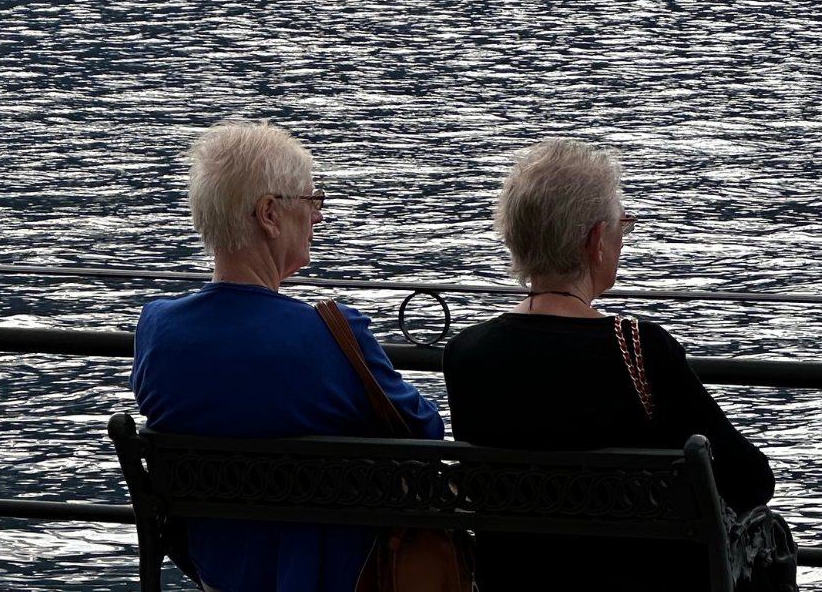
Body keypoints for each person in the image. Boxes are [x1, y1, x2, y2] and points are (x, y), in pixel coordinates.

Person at [444, 138, 774, 592]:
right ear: (596, 241)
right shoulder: (640, 348)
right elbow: (751, 479)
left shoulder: (466, 354)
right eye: (622, 225)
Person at [131, 119, 443, 592]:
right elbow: (425, 431)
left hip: (216, 575)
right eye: (312, 200)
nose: (318, 215)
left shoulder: (158, 332)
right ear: (269, 214)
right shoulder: (329, 336)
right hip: (343, 577)